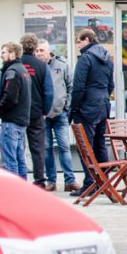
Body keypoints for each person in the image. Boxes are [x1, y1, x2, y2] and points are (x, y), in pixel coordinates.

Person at [70, 29, 114, 196]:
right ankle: (103, 182)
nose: (78, 44)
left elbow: (78, 87)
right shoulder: (106, 58)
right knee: (100, 144)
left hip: (87, 106)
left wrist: (75, 107)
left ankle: (89, 183)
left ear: (86, 40)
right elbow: (111, 85)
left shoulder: (85, 58)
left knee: (85, 145)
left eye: (79, 41)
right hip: (103, 104)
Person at [36, 40, 77, 192]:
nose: (39, 53)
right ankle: (51, 181)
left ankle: (70, 181)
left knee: (64, 147)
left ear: (49, 51)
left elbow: (71, 86)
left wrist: (67, 107)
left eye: (41, 50)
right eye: (37, 51)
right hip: (43, 116)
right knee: (46, 149)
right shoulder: (36, 68)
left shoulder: (62, 65)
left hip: (60, 115)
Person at [20, 34, 54, 190]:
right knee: (38, 148)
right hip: (36, 112)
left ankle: (19, 179)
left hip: (17, 113)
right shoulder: (42, 66)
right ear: (35, 47)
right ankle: (40, 180)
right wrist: (45, 111)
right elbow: (49, 92)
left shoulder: (16, 64)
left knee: (18, 147)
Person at [0, 42, 31, 178]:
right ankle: (23, 189)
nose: (1, 55)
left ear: (12, 54)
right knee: (20, 158)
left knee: (10, 159)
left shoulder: (12, 72)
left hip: (11, 120)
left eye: (4, 52)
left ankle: (14, 193)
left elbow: (10, 97)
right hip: (21, 121)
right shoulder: (23, 70)